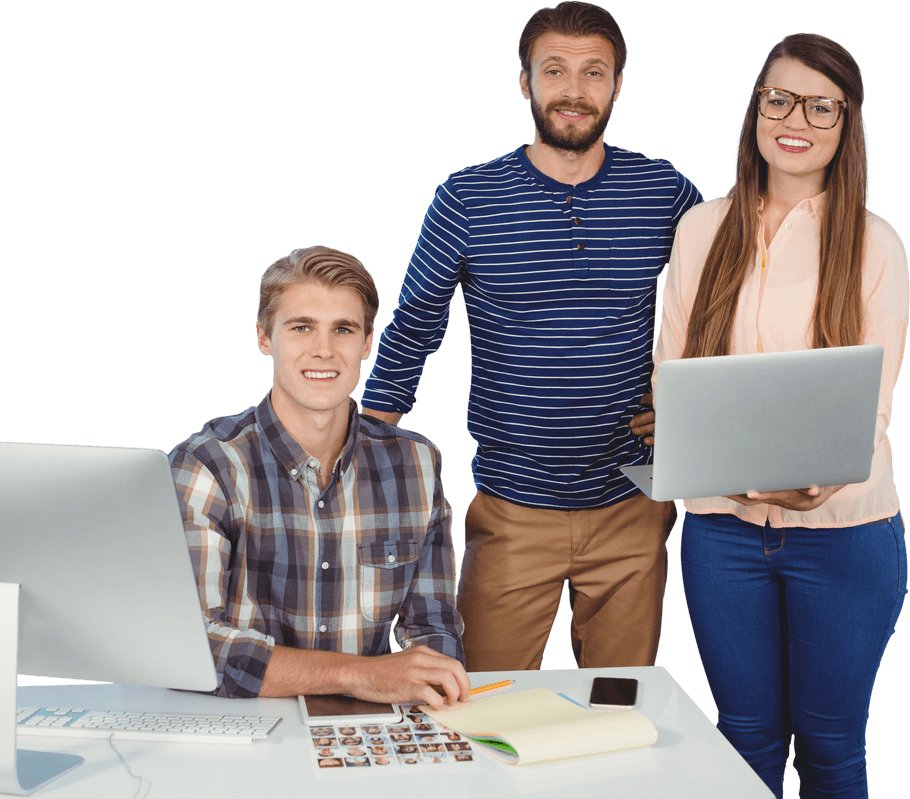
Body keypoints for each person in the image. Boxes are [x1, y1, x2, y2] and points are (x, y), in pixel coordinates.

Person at [361, 1, 702, 671]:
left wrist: (696, 410)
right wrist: (357, 454)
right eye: (555, 71)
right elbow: (413, 327)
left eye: (594, 72)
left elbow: (725, 301)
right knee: (482, 712)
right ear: (526, 83)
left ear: (618, 86)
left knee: (617, 714)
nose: (574, 91)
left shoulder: (663, 190)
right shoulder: (466, 197)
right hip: (514, 513)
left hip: (633, 505)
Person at [649, 33, 907, 798]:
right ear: (756, 108)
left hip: (845, 537)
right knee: (744, 742)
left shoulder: (875, 244)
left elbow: (873, 401)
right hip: (723, 536)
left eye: (821, 105)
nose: (796, 118)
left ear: (846, 124)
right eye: (779, 97)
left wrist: (818, 482)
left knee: (830, 749)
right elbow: (674, 373)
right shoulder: (702, 228)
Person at [169, 245, 470, 710]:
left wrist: (427, 688)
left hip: (371, 733)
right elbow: (188, 645)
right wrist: (359, 675)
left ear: (367, 343)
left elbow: (434, 629)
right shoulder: (208, 465)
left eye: (343, 329)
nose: (324, 350)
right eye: (302, 326)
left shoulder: (417, 463)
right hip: (241, 725)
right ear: (265, 338)